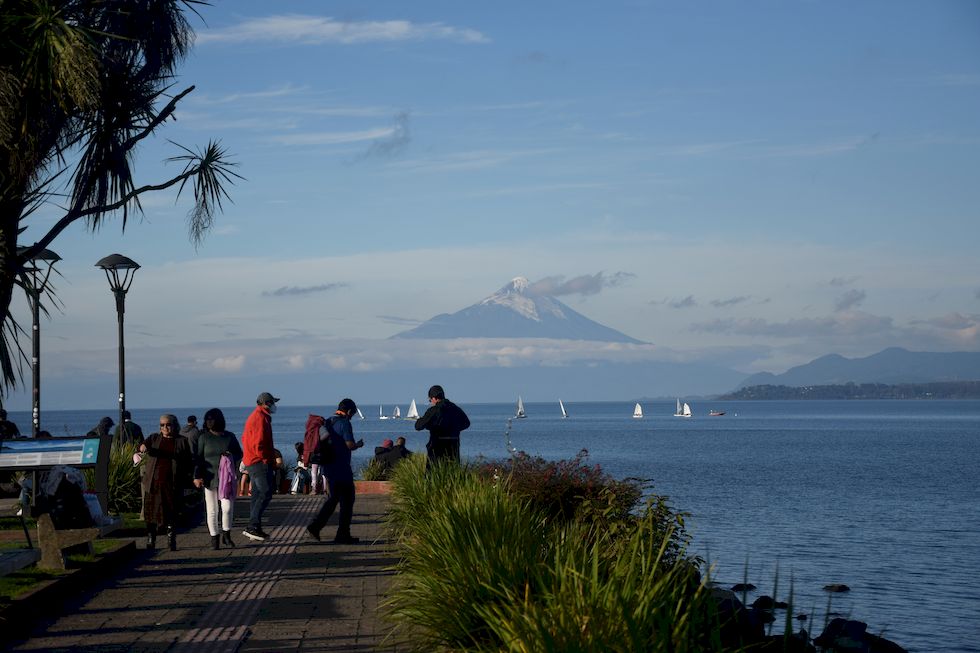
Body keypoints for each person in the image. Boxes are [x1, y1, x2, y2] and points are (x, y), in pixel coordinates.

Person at [306, 398, 364, 544]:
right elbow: (349, 445)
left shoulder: (328, 421)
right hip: (341, 469)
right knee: (347, 500)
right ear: (349, 411)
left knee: (334, 499)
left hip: (328, 467)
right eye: (352, 414)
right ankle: (339, 533)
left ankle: (319, 527)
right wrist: (359, 445)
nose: (352, 416)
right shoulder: (345, 423)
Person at [138, 414, 192, 551]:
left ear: (174, 425)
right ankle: (151, 539)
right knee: (151, 512)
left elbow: (188, 461)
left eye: (168, 424)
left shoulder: (182, 441)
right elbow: (144, 446)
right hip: (153, 482)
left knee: (171, 512)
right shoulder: (154, 438)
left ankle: (171, 539)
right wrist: (143, 447)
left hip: (172, 483)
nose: (165, 427)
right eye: (162, 425)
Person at [192, 408, 243, 550]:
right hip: (209, 478)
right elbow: (198, 458)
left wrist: (230, 456)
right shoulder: (204, 437)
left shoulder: (229, 437)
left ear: (219, 420)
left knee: (226, 508)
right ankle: (214, 538)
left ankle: (226, 533)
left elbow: (239, 453)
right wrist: (197, 476)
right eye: (207, 419)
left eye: (211, 419)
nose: (209, 422)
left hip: (226, 478)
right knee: (212, 510)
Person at [241, 391, 279, 542]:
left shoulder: (259, 417)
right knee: (266, 492)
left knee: (257, 495)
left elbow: (245, 437)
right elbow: (259, 443)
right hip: (258, 462)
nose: (274, 406)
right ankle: (252, 526)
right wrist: (265, 459)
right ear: (266, 403)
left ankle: (255, 528)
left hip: (253, 460)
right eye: (273, 403)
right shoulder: (260, 418)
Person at [415, 385, 470, 463]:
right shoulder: (456, 409)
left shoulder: (433, 410)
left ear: (434, 398)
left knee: (434, 472)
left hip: (437, 447)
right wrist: (454, 429)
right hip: (453, 446)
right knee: (452, 472)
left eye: (430, 400)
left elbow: (418, 426)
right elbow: (466, 423)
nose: (431, 403)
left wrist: (429, 425)